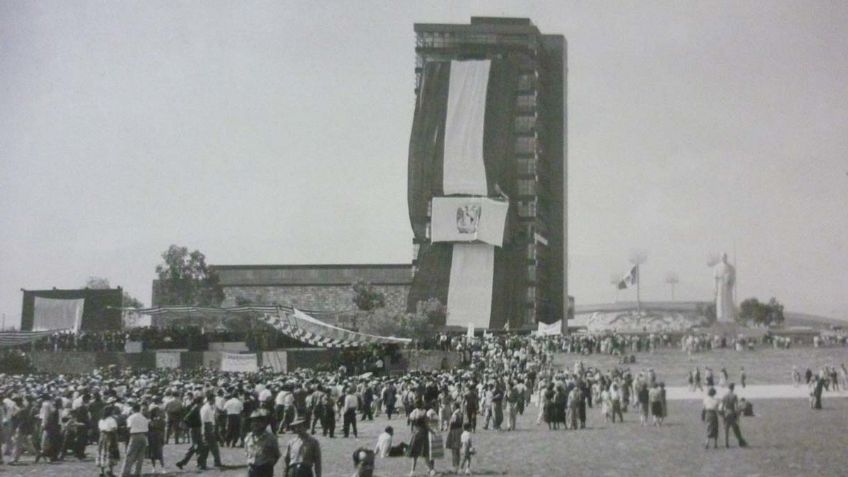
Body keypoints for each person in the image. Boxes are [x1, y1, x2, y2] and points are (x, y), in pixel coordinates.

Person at [244, 410, 280, 477]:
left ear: (263, 423)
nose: (255, 424)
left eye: (258, 421)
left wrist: (268, 465)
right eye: (253, 421)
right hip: (252, 469)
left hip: (265, 469)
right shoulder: (248, 437)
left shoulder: (270, 438)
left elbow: (276, 455)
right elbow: (246, 452)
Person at [120, 402, 148, 477]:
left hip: (134, 435)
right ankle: (137, 472)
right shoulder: (143, 417)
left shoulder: (131, 417)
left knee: (130, 455)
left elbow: (129, 427)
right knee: (140, 456)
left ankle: (125, 472)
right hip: (143, 436)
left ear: (133, 409)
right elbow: (146, 429)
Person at [407, 400, 434, 476]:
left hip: (416, 433)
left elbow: (410, 420)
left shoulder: (414, 412)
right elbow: (426, 425)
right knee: (425, 453)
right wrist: (432, 431)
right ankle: (431, 470)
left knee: (415, 454)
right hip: (423, 433)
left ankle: (412, 471)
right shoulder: (424, 412)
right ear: (422, 404)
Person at [720, 383, 747, 448]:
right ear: (733, 388)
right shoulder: (734, 396)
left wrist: (723, 414)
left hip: (726, 413)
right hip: (732, 413)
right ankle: (740, 441)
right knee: (736, 428)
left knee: (726, 429)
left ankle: (726, 444)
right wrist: (737, 415)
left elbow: (721, 407)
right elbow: (736, 407)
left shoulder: (724, 396)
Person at [97, 406, 120, 477]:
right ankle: (110, 470)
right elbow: (114, 429)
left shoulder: (101, 420)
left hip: (102, 436)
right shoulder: (112, 420)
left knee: (102, 452)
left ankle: (101, 471)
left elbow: (100, 429)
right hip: (110, 436)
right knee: (110, 452)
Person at [445, 403, 464, 473]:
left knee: (454, 451)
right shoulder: (460, 413)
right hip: (460, 431)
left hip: (454, 432)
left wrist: (448, 433)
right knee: (458, 450)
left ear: (455, 407)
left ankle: (454, 466)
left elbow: (451, 424)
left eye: (453, 406)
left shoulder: (454, 414)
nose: (452, 408)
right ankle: (458, 466)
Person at [147, 405, 166, 473]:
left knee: (160, 453)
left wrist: (163, 438)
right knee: (152, 453)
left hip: (158, 436)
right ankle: (153, 467)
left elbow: (163, 429)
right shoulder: (149, 420)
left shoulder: (161, 420)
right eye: (155, 411)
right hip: (151, 437)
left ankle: (162, 467)